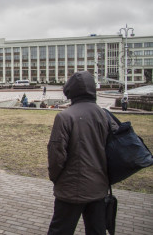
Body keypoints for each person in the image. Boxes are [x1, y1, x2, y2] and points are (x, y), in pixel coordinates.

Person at [47, 71, 110, 234]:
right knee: (97, 230)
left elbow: (56, 155)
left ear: (70, 91)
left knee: (60, 230)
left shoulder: (65, 117)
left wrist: (56, 178)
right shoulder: (104, 115)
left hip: (71, 188)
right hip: (98, 187)